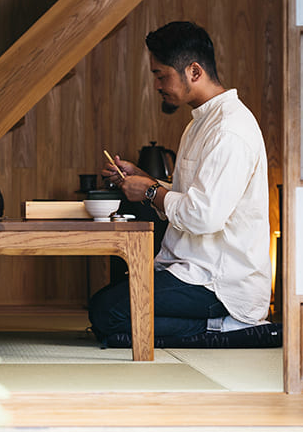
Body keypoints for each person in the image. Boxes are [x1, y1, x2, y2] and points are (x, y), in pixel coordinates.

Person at [90, 21, 280, 348]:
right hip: (191, 268)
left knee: (109, 313)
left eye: (161, 75)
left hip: (221, 283)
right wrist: (144, 178)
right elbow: (188, 197)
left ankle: (228, 326)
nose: (157, 85)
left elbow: (203, 216)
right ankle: (200, 324)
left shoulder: (230, 130)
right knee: (106, 304)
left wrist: (149, 191)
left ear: (193, 71)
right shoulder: (200, 124)